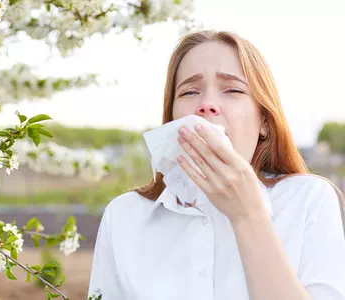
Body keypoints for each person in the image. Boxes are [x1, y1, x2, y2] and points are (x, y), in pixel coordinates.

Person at [87, 30, 345, 300]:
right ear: (172, 116)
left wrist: (248, 215)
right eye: (189, 91)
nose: (207, 104)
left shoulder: (309, 200)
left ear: (265, 123)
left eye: (233, 90)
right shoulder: (123, 215)